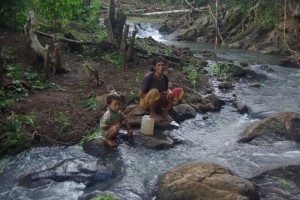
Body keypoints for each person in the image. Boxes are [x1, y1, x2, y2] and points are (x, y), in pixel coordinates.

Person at [139, 56, 184, 122]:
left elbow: (164, 91)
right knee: (154, 91)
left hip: (158, 101)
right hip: (146, 103)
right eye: (158, 65)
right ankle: (152, 113)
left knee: (178, 90)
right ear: (154, 67)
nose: (161, 67)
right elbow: (141, 94)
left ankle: (165, 112)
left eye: (163, 65)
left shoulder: (165, 78)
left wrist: (168, 91)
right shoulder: (149, 77)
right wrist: (156, 95)